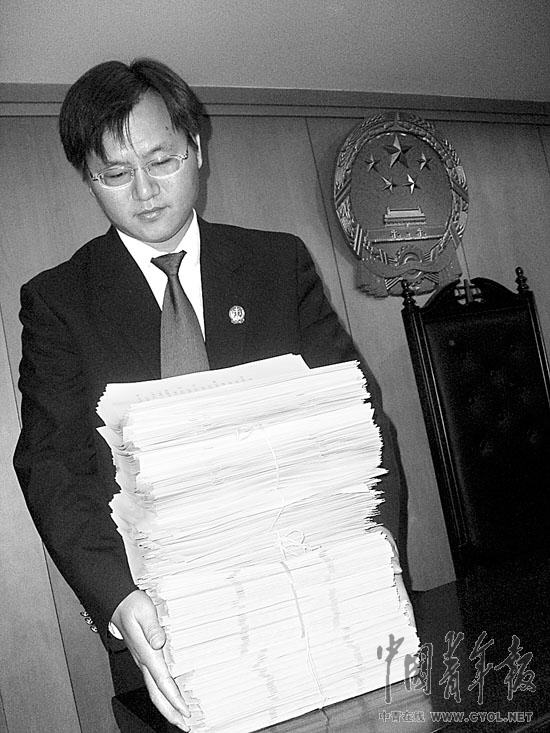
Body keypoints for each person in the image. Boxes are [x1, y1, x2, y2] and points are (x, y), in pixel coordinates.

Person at [13, 58, 404, 731]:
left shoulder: (277, 264)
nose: (144, 191)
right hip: (162, 619)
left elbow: (360, 420)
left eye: (161, 160)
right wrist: (117, 599)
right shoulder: (59, 302)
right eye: (114, 174)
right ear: (88, 179)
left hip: (314, 584)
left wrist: (376, 552)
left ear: (195, 148)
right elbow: (51, 463)